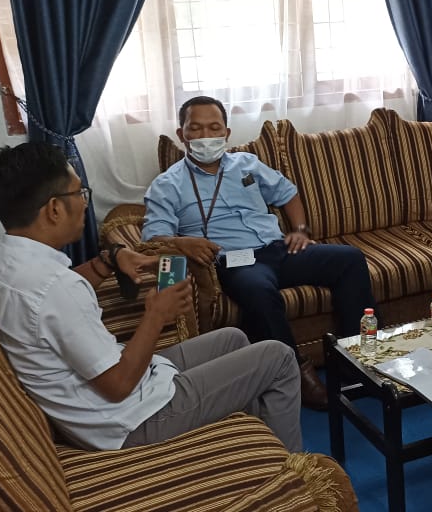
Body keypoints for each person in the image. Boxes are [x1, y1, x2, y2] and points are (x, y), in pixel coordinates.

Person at [0, 142, 302, 452]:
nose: (85, 203)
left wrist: (107, 261)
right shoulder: (56, 288)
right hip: (131, 421)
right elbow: (118, 385)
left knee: (232, 338)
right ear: (55, 209)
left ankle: (255, 446)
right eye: (79, 193)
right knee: (279, 357)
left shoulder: (3, 260)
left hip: (115, 401)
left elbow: (50, 304)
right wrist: (157, 315)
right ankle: (294, 473)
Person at [142, 95, 377, 410]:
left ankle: (356, 357)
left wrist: (300, 230)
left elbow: (287, 193)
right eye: (195, 129)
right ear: (181, 134)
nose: (205, 136)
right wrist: (182, 242)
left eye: (214, 128)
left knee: (350, 259)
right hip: (234, 261)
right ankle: (295, 373)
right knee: (258, 290)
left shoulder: (247, 164)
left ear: (226, 133)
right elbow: (152, 239)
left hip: (278, 250)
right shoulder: (168, 184)